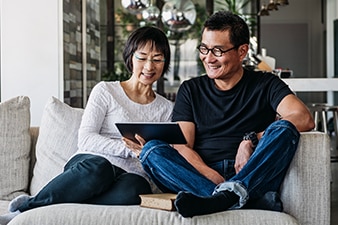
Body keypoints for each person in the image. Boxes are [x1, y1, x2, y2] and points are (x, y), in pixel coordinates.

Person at [131, 11, 315, 218]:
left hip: (253, 170)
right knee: (151, 150)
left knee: (284, 128)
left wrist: (250, 140)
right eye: (204, 48)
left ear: (242, 51)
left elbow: (303, 118)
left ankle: (221, 199)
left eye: (217, 51)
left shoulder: (266, 83)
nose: (208, 58)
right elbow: (183, 145)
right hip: (203, 174)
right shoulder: (191, 89)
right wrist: (211, 176)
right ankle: (239, 198)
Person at [0, 26, 173, 225]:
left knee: (136, 188)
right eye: (142, 57)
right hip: (90, 166)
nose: (149, 66)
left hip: (127, 177)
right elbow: (86, 137)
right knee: (101, 168)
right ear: (130, 57)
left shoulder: (166, 109)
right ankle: (25, 209)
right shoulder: (106, 91)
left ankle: (68, 197)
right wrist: (129, 150)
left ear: (165, 63)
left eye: (157, 59)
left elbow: (162, 151)